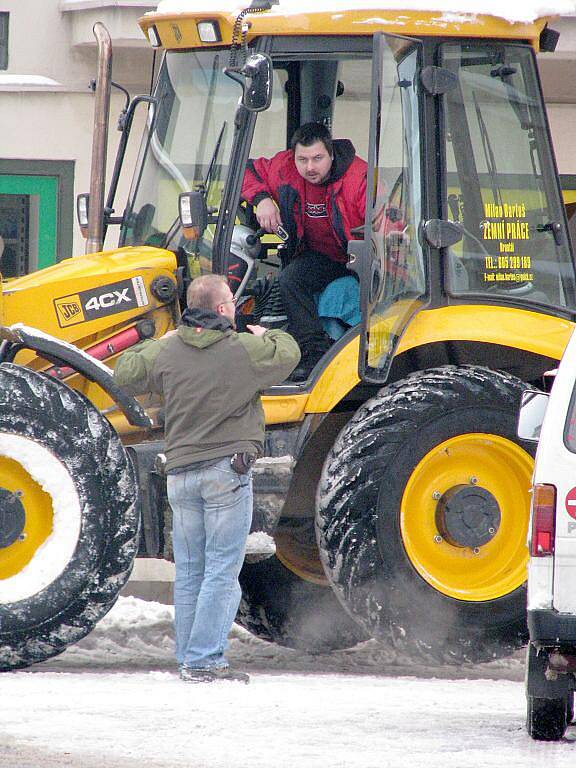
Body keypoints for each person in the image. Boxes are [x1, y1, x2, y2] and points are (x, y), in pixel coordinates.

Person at [114, 274, 300, 683]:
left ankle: (189, 657)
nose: (235, 306)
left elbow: (124, 371)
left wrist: (159, 343)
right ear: (220, 309)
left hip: (180, 476)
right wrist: (267, 332)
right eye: (231, 301)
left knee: (192, 571)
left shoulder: (168, 353)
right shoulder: (242, 349)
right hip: (225, 473)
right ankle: (204, 661)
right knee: (220, 570)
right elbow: (288, 353)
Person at [241, 122, 367, 380]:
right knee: (289, 278)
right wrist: (261, 199)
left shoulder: (360, 177)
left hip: (358, 256)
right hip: (320, 257)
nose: (310, 167)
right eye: (303, 159)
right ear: (293, 157)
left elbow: (386, 224)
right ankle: (312, 352)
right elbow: (245, 169)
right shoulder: (284, 168)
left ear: (331, 154)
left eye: (318, 158)